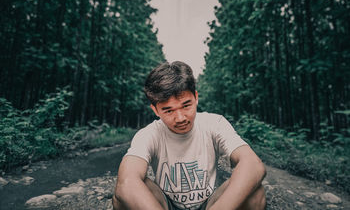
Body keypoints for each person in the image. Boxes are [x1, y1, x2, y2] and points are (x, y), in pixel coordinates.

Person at [112, 61, 266, 210]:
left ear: (196, 97)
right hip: (165, 204)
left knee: (255, 194)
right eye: (168, 110)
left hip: (209, 204)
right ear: (155, 110)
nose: (180, 118)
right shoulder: (148, 134)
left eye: (186, 105)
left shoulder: (214, 123)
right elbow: (126, 182)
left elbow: (252, 164)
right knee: (121, 198)